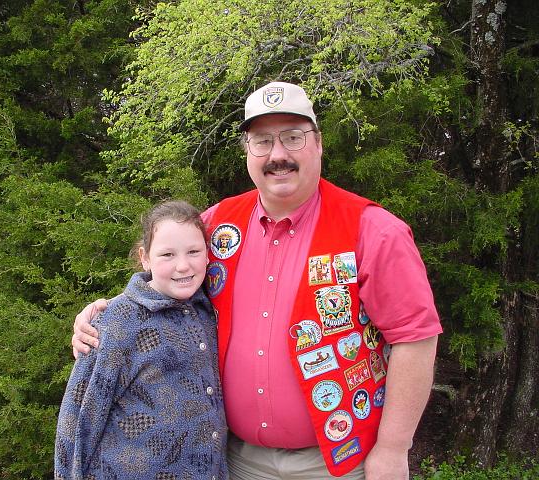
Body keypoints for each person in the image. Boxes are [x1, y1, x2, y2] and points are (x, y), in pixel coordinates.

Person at [71, 82, 442, 480]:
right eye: (262, 141)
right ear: (247, 151)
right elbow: (166, 279)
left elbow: (415, 339)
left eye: (293, 138)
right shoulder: (216, 224)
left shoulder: (374, 231)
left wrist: (392, 448)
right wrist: (107, 315)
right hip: (234, 461)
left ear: (318, 144)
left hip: (338, 462)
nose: (278, 155)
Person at [55, 200, 228, 479]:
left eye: (194, 251)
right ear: (145, 257)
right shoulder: (115, 322)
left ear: (208, 254)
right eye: (167, 255)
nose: (183, 266)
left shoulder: (208, 310)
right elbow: (78, 416)